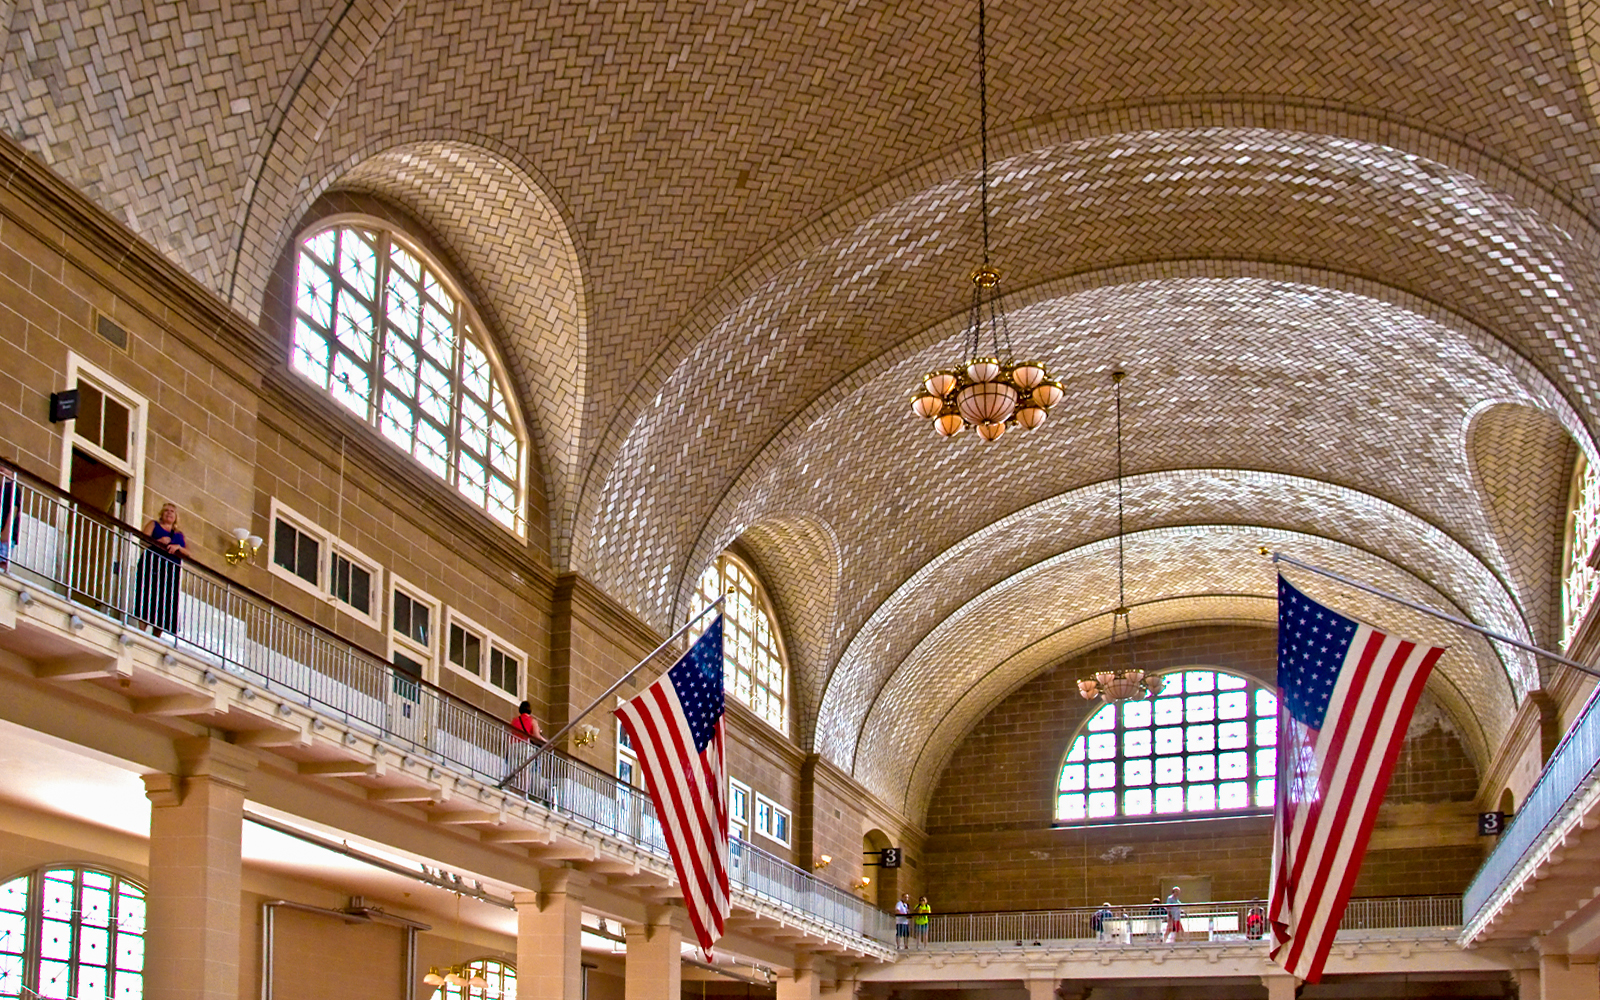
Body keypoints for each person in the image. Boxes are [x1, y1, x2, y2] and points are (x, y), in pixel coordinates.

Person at [135, 502, 188, 637]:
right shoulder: (154, 525)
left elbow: (189, 553)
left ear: (176, 517)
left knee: (166, 601)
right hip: (152, 565)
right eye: (166, 511)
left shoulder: (178, 535)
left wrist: (178, 548)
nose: (169, 513)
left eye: (172, 511)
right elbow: (143, 540)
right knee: (148, 595)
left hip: (170, 571)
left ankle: (156, 636)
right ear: (161, 514)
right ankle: (141, 632)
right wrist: (158, 541)